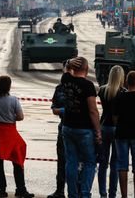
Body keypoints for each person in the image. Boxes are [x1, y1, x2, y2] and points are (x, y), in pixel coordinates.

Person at [0, 75, 34, 198]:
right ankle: (20, 189)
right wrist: (10, 117)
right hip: (10, 133)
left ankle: (1, 191)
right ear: (8, 86)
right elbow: (20, 117)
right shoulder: (13, 100)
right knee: (18, 161)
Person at [61, 57, 102, 198]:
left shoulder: (66, 80)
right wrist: (98, 131)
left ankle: (72, 194)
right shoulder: (88, 85)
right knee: (90, 162)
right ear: (86, 68)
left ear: (73, 67)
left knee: (71, 161)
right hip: (84, 129)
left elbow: (66, 70)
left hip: (67, 127)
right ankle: (84, 193)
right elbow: (93, 110)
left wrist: (68, 64)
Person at [113, 71, 135, 198]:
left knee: (122, 166)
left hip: (121, 134)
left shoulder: (119, 97)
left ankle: (124, 196)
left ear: (126, 82)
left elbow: (115, 118)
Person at [97, 65, 126, 198]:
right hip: (118, 129)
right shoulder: (123, 92)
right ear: (121, 77)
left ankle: (102, 193)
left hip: (104, 127)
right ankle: (112, 194)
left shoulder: (102, 90)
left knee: (103, 163)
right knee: (115, 163)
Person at [48, 61, 71, 198]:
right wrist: (63, 111)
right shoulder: (59, 88)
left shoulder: (82, 86)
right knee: (63, 161)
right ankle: (61, 190)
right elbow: (54, 109)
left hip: (71, 127)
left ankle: (72, 191)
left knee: (70, 161)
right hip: (65, 127)